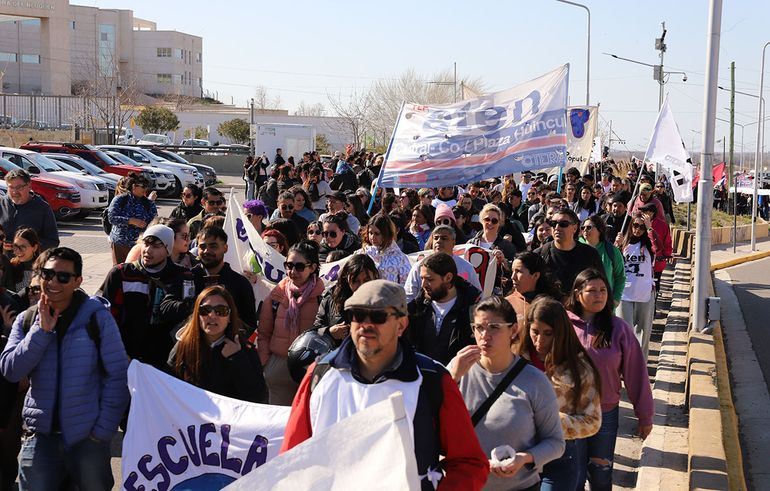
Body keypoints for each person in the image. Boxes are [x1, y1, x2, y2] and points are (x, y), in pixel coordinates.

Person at [281, 279, 489, 490]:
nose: (366, 325)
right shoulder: (320, 374)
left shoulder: (431, 379)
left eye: (378, 316)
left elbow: (469, 463)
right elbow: (291, 459)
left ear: (401, 325)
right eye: (358, 315)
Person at [0, 247, 129, 490]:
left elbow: (118, 375)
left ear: (78, 281)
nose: (53, 282)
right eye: (48, 274)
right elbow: (10, 370)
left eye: (63, 276)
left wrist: (102, 431)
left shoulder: (97, 317)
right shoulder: (27, 319)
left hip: (88, 439)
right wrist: (41, 332)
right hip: (41, 439)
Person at [448, 296, 565, 491]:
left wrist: (524, 458)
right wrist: (451, 379)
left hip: (519, 486)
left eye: (494, 327)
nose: (485, 336)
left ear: (513, 330)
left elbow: (556, 443)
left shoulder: (535, 381)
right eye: (479, 328)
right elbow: (428, 423)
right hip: (465, 485)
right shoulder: (458, 369)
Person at [565, 269, 654, 490]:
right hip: (568, 413)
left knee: (601, 476)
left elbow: (637, 374)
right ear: (577, 294)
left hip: (605, 413)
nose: (599, 295)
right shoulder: (562, 326)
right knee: (572, 477)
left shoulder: (619, 328)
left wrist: (645, 416)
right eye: (592, 291)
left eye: (603, 290)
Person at [517, 297, 602, 491]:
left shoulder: (580, 369)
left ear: (561, 332)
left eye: (548, 334)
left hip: (560, 455)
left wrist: (552, 422)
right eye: (535, 332)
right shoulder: (513, 361)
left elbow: (593, 421)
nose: (540, 341)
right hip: (519, 452)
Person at [99, 225, 195, 368]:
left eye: (156, 246)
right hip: (125, 354)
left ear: (168, 250)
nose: (148, 250)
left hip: (165, 357)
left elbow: (187, 317)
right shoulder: (121, 274)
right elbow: (105, 316)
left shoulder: (182, 276)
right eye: (146, 243)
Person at [169, 285, 267, 403]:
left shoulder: (246, 351)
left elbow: (258, 399)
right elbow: (167, 388)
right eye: (205, 310)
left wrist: (237, 359)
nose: (212, 316)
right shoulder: (183, 347)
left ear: (230, 317)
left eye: (221, 311)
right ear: (197, 315)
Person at [258, 241, 325, 405]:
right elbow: (263, 334)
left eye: (299, 266)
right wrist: (267, 364)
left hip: (311, 372)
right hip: (278, 371)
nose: (293, 271)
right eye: (289, 265)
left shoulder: (323, 298)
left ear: (313, 267)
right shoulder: (275, 297)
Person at [407, 252, 480, 365]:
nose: (423, 285)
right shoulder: (414, 310)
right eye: (422, 278)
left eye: (429, 280)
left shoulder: (473, 311)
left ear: (448, 277)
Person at [192, 226, 258, 335]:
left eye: (213, 246)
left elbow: (249, 324)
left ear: (225, 248)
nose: (206, 251)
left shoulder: (240, 283)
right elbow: (165, 308)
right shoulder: (186, 278)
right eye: (202, 246)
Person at [311, 254, 379, 347]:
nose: (361, 286)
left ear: (374, 276)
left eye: (366, 280)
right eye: (356, 281)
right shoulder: (332, 298)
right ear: (347, 279)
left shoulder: (384, 301)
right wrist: (329, 332)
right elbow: (316, 331)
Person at [617, 212, 659, 360]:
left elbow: (658, 248)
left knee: (643, 332)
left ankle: (640, 365)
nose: (638, 229)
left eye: (641, 227)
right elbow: (613, 262)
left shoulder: (648, 245)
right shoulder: (623, 244)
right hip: (624, 293)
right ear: (630, 225)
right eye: (635, 225)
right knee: (624, 331)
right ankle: (625, 363)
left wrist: (649, 229)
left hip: (645, 293)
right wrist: (616, 246)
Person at [535, 209, 602, 297]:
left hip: (579, 308)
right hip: (548, 307)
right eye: (553, 224)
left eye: (563, 224)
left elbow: (601, 284)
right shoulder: (539, 254)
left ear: (574, 228)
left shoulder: (590, 254)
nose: (557, 228)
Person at [405, 225, 481, 302]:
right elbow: (409, 297)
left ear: (453, 242)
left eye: (444, 238)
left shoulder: (466, 267)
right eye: (436, 238)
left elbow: (478, 297)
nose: (439, 241)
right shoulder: (419, 266)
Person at [0, 169, 58, 252]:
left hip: (29, 263)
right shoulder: (1, 203)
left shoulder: (42, 208)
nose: (14, 192)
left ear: (29, 185)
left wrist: (26, 247)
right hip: (4, 262)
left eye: (19, 187)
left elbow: (53, 241)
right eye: (11, 187)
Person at [107, 172, 157, 265]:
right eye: (143, 186)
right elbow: (111, 218)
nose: (145, 189)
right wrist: (130, 221)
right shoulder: (120, 199)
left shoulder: (148, 203)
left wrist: (146, 224)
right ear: (134, 186)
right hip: (120, 243)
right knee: (119, 271)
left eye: (146, 186)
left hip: (139, 244)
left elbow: (155, 221)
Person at [505, 251, 562, 326]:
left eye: (518, 271)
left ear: (535, 275)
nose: (513, 277)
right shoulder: (506, 304)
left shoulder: (555, 305)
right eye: (512, 271)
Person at [579, 215, 625, 306]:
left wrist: (616, 299)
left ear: (599, 230)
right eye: (583, 227)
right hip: (581, 302)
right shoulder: (576, 248)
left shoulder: (611, 250)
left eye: (589, 227)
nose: (585, 230)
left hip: (604, 302)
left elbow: (620, 276)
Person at [358, 213, 411, 285]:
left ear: (386, 233)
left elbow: (407, 284)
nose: (373, 237)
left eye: (377, 233)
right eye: (370, 233)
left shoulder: (400, 258)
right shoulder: (364, 253)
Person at [638, 202, 673, 293]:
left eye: (645, 212)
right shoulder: (638, 224)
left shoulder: (662, 225)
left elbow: (667, 242)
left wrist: (666, 255)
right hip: (641, 260)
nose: (642, 214)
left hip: (657, 262)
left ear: (651, 213)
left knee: (655, 285)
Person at [6, 228, 40, 293]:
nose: (18, 251)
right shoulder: (12, 264)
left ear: (34, 247)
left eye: (23, 247)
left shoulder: (42, 267)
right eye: (15, 246)